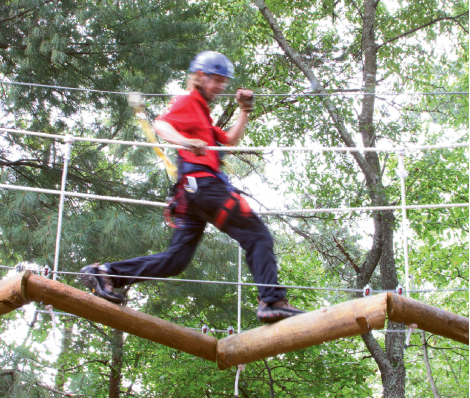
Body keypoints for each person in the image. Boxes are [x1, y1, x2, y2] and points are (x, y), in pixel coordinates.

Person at [80, 51, 305, 323]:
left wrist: (245, 110)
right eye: (217, 80)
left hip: (192, 196)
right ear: (200, 76)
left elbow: (230, 140)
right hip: (203, 186)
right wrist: (185, 142)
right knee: (257, 235)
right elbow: (162, 125)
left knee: (176, 260)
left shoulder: (204, 116)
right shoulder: (187, 101)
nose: (221, 87)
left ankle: (106, 273)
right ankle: (271, 300)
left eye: (224, 82)